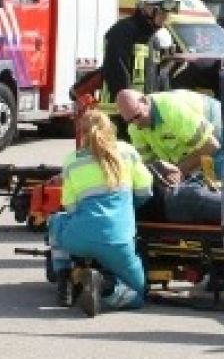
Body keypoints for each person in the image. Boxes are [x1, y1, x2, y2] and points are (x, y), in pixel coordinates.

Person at [46, 110, 152, 316]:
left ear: (81, 133)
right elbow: (145, 190)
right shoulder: (127, 152)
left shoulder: (71, 161)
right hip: (118, 241)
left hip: (79, 237)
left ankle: (64, 279)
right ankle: (105, 286)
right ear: (111, 128)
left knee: (56, 221)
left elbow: (71, 208)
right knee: (138, 294)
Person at [116, 88, 222, 224]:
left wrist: (178, 170)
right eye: (130, 121)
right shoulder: (135, 127)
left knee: (218, 199)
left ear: (144, 100)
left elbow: (211, 146)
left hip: (221, 134)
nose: (136, 123)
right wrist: (165, 175)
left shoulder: (172, 110)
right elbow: (151, 165)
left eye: (137, 116)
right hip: (193, 149)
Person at [100, 0, 179, 100]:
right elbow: (118, 78)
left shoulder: (154, 41)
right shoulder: (122, 32)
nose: (166, 17)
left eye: (168, 13)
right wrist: (131, 111)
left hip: (142, 114)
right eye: (162, 12)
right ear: (146, 6)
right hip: (117, 113)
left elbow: (157, 81)